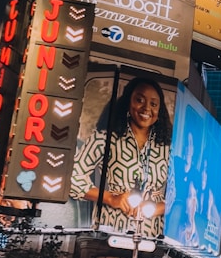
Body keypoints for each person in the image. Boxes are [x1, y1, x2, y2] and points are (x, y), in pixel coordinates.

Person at [70, 75, 172, 237]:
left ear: (159, 112)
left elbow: (185, 198)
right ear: (128, 102)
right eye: (139, 100)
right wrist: (111, 198)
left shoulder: (169, 148)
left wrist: (156, 208)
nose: (146, 108)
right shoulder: (105, 138)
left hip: (151, 235)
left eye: (153, 104)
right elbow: (72, 178)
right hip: (109, 230)